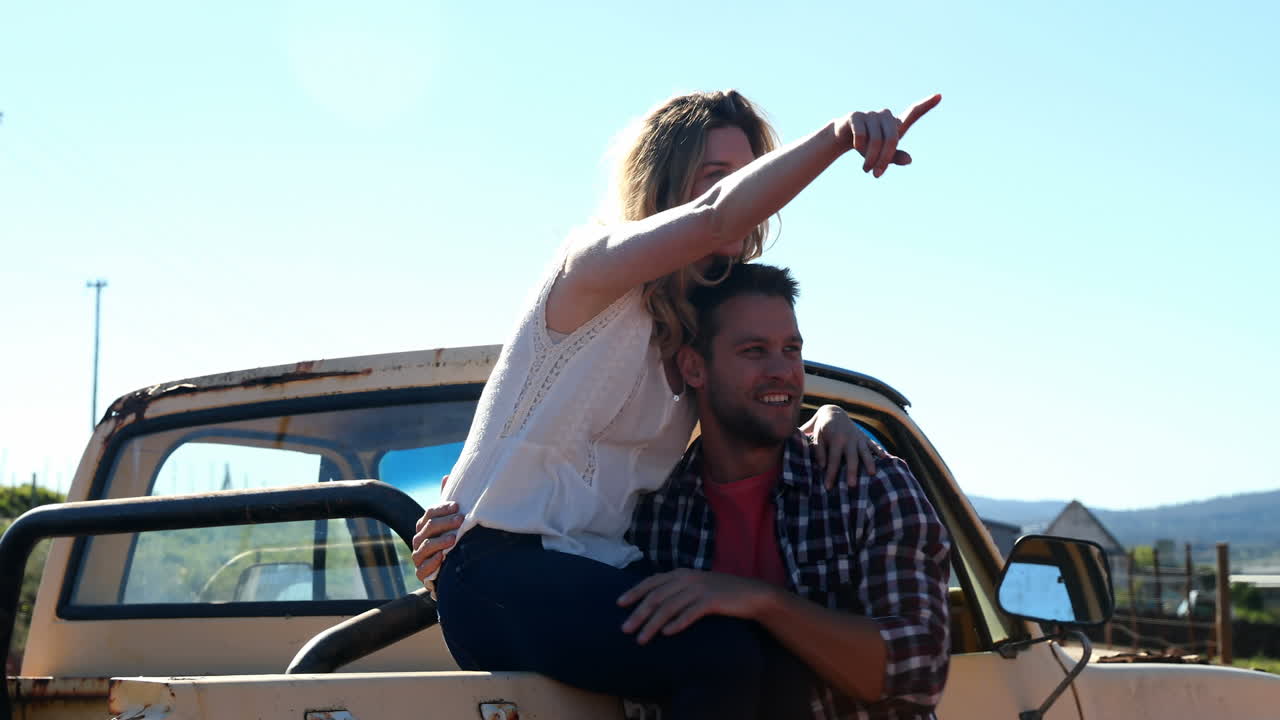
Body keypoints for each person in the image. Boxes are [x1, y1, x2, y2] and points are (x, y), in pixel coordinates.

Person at [414, 89, 942, 719]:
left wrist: (828, 417)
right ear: (664, 185)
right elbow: (717, 218)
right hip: (500, 572)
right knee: (728, 657)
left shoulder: (690, 333)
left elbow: (746, 408)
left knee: (765, 655)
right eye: (721, 177)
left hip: (601, 568)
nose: (744, 197)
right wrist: (838, 135)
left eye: (752, 175)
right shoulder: (590, 268)